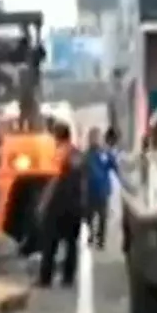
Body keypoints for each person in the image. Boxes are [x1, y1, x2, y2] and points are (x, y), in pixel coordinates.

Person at [37, 123, 86, 288]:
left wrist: (43, 203)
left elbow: (54, 180)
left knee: (50, 241)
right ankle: (68, 277)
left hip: (59, 204)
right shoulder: (77, 153)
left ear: (57, 136)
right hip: (76, 204)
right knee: (71, 243)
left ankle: (46, 278)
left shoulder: (60, 153)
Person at [85, 127, 118, 250]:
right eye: (92, 137)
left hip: (103, 190)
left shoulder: (105, 154)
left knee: (103, 216)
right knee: (89, 216)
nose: (94, 140)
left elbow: (114, 166)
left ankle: (101, 240)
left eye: (96, 137)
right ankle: (90, 235)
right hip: (89, 191)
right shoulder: (86, 155)